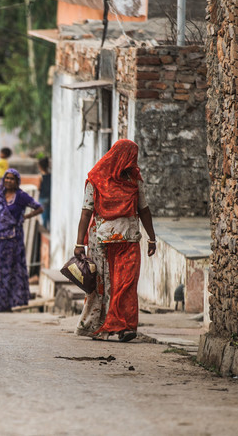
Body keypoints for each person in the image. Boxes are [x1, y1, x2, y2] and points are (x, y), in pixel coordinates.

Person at [73, 139, 157, 342]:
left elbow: (144, 210)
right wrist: (79, 243)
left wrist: (152, 239)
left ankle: (125, 327)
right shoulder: (96, 180)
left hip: (129, 240)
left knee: (126, 284)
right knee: (105, 286)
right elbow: (86, 212)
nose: (133, 160)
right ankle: (103, 326)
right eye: (131, 155)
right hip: (103, 243)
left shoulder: (135, 180)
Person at [0, 168, 43, 312]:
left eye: (12, 179)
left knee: (9, 271)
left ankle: (6, 304)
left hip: (12, 240)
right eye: (6, 178)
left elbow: (39, 208)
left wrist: (24, 217)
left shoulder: (21, 196)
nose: (8, 181)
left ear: (17, 181)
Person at [38, 157, 51, 231]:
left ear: (40, 166)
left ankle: (45, 231)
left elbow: (39, 188)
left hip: (43, 198)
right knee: (49, 215)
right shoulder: (51, 175)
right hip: (49, 197)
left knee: (44, 217)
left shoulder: (40, 176)